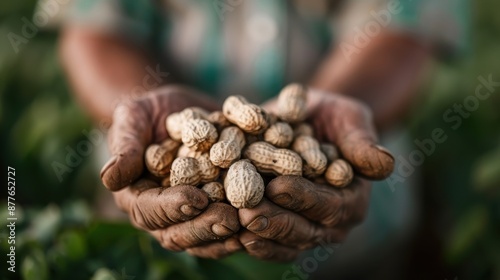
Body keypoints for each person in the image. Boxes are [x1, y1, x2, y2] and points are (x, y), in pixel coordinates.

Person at [50, 0, 467, 277]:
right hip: (148, 245)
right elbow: (94, 27)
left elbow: (404, 26)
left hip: (355, 252)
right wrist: (140, 112)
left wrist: (343, 107)